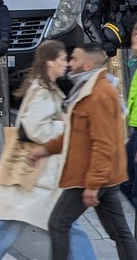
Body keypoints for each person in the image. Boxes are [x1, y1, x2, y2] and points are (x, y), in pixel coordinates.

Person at [0, 41, 96, 260]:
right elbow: (35, 128)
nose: (66, 64)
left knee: (12, 226)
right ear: (50, 62)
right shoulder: (44, 91)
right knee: (62, 225)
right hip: (35, 178)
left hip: (36, 178)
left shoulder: (45, 88)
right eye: (63, 59)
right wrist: (65, 125)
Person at [29, 44, 137, 259]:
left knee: (58, 223)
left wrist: (92, 185)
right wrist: (45, 150)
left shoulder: (98, 94)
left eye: (74, 59)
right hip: (104, 176)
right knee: (120, 233)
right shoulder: (88, 89)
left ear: (87, 64)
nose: (70, 63)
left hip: (89, 175)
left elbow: (103, 143)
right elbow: (76, 133)